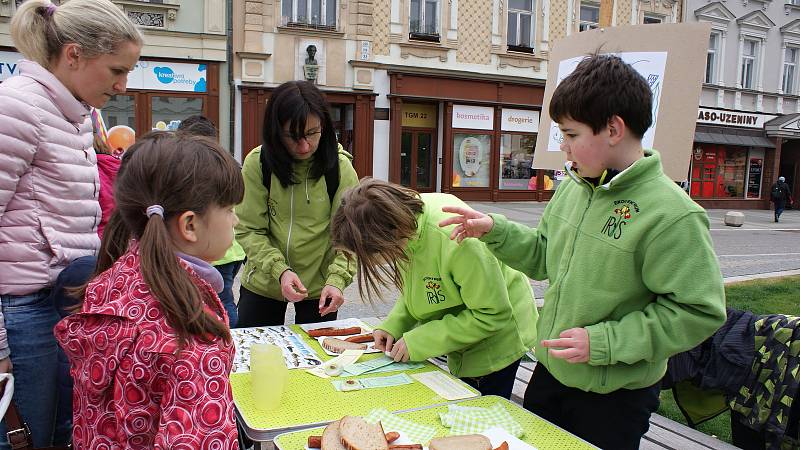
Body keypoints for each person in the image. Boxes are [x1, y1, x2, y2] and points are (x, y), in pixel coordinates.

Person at [438, 54, 727, 450]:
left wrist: (605, 343)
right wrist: (495, 231)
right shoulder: (575, 187)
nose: (563, 147)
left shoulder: (672, 214)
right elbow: (543, 257)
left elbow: (699, 311)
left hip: (614, 397)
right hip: (550, 371)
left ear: (613, 129)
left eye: (571, 135)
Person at [0, 1, 142, 447]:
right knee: (30, 437)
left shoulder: (74, 114)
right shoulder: (17, 109)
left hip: (58, 302)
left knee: (64, 432)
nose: (123, 85)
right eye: (116, 70)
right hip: (24, 310)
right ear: (74, 55)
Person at [54, 132, 242, 449]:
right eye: (229, 208)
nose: (236, 220)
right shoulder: (193, 335)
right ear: (190, 225)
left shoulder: (111, 279)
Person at [330, 178, 537, 398]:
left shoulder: (457, 239)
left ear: (384, 240)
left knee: (483, 412)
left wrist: (421, 340)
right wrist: (394, 325)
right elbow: (420, 289)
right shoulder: (404, 228)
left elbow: (492, 315)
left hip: (496, 346)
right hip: (465, 336)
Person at [235, 80, 358, 327]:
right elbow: (249, 229)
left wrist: (336, 279)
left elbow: (351, 235)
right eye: (293, 136)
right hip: (264, 280)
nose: (304, 146)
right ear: (275, 130)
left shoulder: (340, 167)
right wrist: (279, 270)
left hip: (321, 285)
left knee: (319, 360)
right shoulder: (258, 164)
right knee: (254, 354)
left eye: (312, 133)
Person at [177, 115, 246, 327]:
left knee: (220, 302)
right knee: (219, 302)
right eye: (228, 211)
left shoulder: (198, 170)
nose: (235, 219)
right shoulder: (221, 166)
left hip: (222, 254)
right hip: (226, 252)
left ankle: (232, 341)